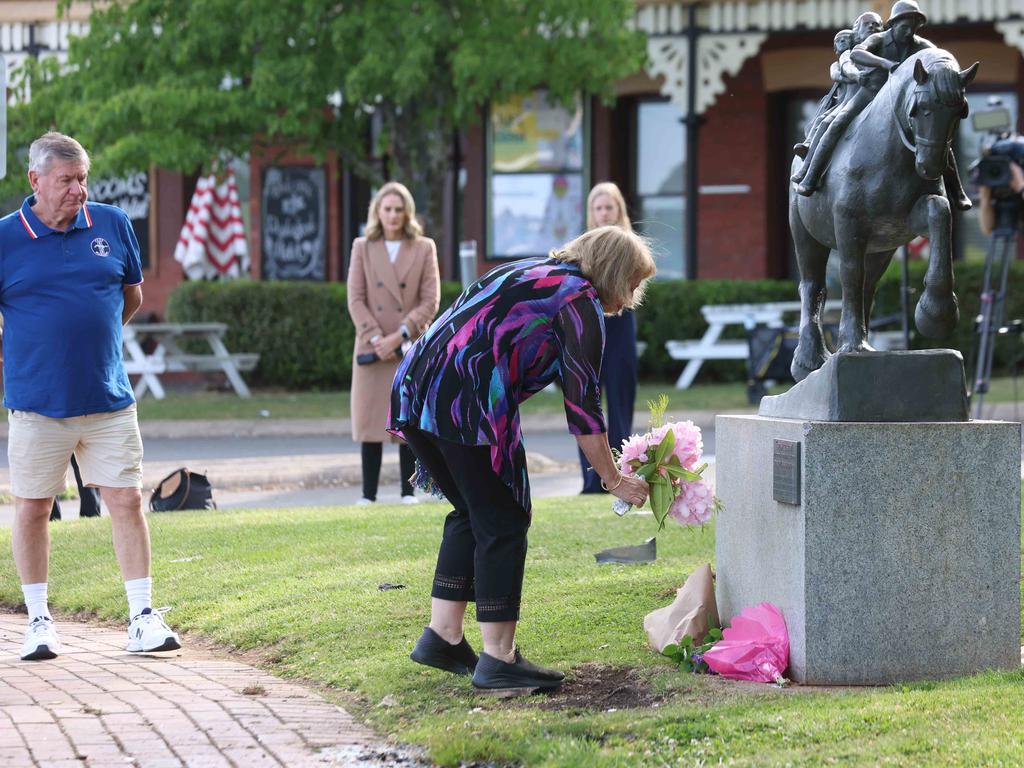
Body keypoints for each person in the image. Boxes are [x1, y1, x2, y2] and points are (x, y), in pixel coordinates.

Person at [391, 226, 655, 694]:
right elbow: (584, 409)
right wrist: (615, 481)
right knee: (503, 521)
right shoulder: (579, 302)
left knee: (474, 512)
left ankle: (443, 636)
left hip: (418, 386)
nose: (633, 296)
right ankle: (498, 659)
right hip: (464, 400)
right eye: (633, 282)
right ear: (615, 273)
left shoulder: (533, 271)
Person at [1, 132, 179, 661]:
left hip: (108, 399)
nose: (79, 190)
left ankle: (143, 617)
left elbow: (131, 297)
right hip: (37, 405)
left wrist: (91, 343)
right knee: (33, 507)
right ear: (35, 181)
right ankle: (38, 622)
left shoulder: (112, 224)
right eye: (66, 180)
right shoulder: (5, 238)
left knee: (125, 499)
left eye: (83, 178)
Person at [347, 182, 440, 505]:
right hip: (371, 348)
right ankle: (368, 494)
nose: (393, 215)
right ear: (377, 212)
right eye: (387, 209)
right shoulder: (363, 247)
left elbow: (430, 300)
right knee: (370, 420)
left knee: (407, 421)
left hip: (407, 346)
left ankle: (407, 490)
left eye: (398, 209)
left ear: (407, 213)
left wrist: (400, 334)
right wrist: (375, 338)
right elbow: (355, 298)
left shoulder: (424, 247)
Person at [577, 183, 638, 494]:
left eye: (608, 207)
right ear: (592, 213)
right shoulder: (583, 245)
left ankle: (621, 473)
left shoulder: (630, 245)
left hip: (620, 327)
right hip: (588, 330)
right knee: (586, 401)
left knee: (620, 402)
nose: (603, 213)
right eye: (598, 208)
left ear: (619, 211)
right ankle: (591, 480)